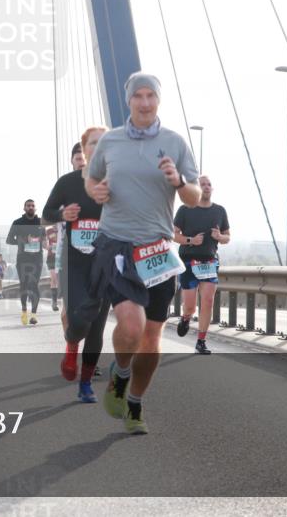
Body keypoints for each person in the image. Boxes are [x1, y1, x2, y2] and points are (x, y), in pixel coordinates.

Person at [85, 73, 200, 433]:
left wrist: (178, 181)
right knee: (131, 326)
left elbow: (194, 197)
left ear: (158, 100)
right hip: (117, 245)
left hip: (158, 251)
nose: (145, 102)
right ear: (129, 100)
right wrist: (95, 191)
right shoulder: (111, 141)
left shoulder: (175, 143)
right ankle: (121, 373)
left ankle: (134, 402)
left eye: (151, 95)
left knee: (151, 337)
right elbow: (91, 178)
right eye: (139, 96)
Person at [44, 129, 107, 403]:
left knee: (97, 327)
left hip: (104, 262)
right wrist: (62, 214)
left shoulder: (116, 181)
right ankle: (71, 346)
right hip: (74, 262)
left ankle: (86, 384)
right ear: (84, 149)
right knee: (80, 321)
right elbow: (46, 214)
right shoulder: (67, 183)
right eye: (93, 143)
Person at [173, 175, 230, 354]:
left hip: (210, 262)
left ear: (212, 188)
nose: (206, 187)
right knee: (190, 306)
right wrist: (191, 240)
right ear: (197, 189)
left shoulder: (219, 211)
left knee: (208, 301)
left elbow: (227, 237)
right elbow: (174, 234)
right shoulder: (185, 209)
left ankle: (201, 341)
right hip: (189, 261)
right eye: (202, 184)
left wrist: (219, 237)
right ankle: (186, 318)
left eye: (209, 184)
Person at [6, 199, 45, 325]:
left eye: (33, 205)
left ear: (35, 208)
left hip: (37, 258)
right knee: (24, 285)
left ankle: (33, 315)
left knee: (34, 285)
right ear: (24, 208)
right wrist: (23, 240)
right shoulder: (17, 223)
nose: (31, 207)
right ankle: (24, 311)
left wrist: (46, 243)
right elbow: (9, 240)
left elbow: (44, 238)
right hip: (22, 258)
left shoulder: (40, 222)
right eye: (28, 206)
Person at [46, 224, 59, 311]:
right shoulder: (48, 230)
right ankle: (54, 302)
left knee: (59, 279)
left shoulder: (64, 229)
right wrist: (47, 247)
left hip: (62, 257)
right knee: (54, 278)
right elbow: (44, 243)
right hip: (51, 257)